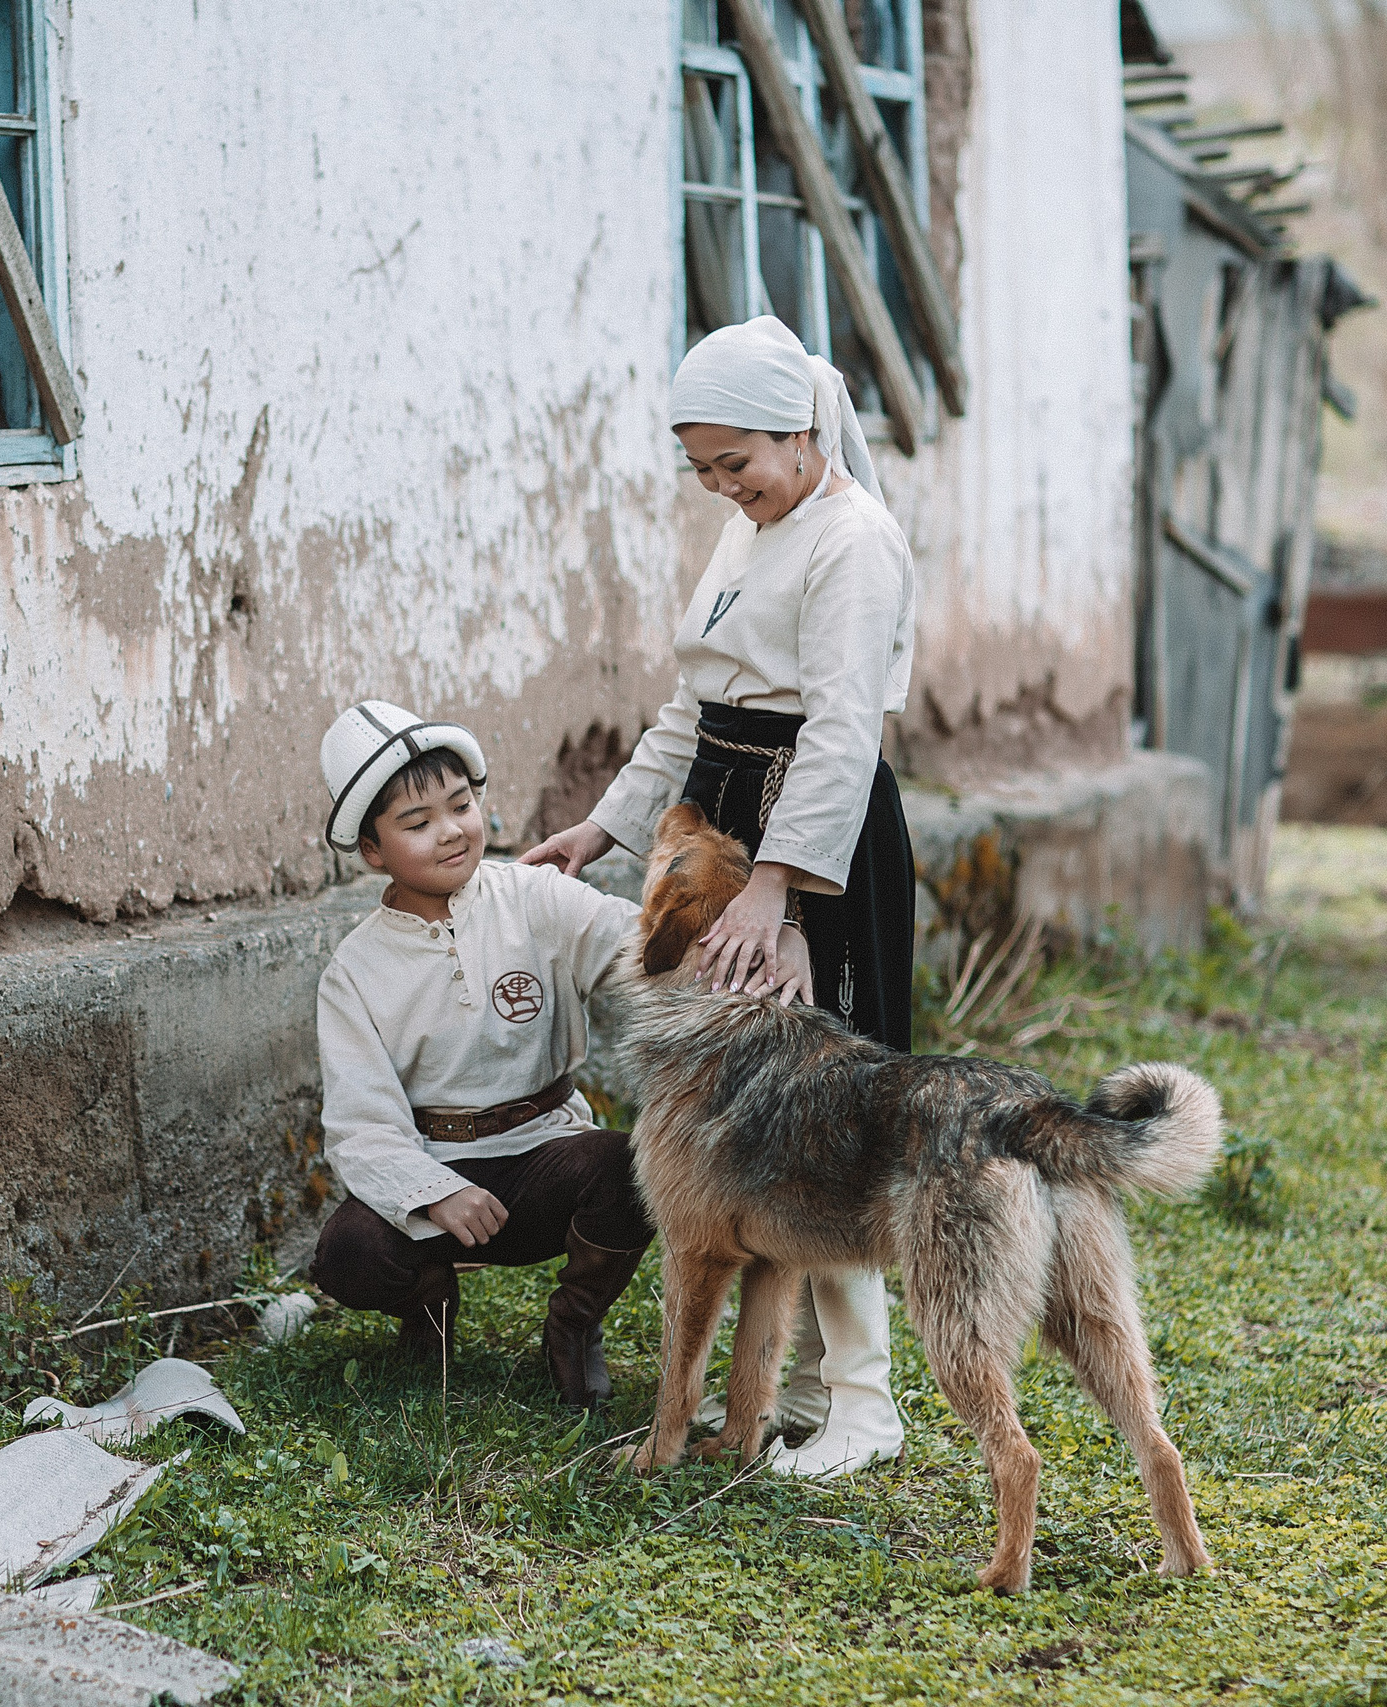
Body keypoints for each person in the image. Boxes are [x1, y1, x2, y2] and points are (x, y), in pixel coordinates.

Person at [519, 316, 918, 1477]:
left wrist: (780, 897)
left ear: (801, 434)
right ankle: (785, 1379)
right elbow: (694, 709)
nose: (719, 487)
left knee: (822, 1110)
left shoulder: (854, 541)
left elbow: (844, 734)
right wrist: (604, 824)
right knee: (738, 1110)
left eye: (734, 462)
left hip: (815, 836)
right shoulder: (749, 534)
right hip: (725, 810)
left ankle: (863, 1402)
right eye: (700, 468)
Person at [306, 699, 651, 1408]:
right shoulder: (355, 969)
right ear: (373, 850)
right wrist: (435, 1191)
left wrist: (718, 943)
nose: (449, 831)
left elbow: (633, 941)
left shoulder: (532, 897)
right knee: (349, 1251)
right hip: (434, 1171)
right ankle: (426, 1306)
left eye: (460, 805)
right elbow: (360, 1122)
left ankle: (575, 1323)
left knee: (629, 1165)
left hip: (543, 1157)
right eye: (416, 822)